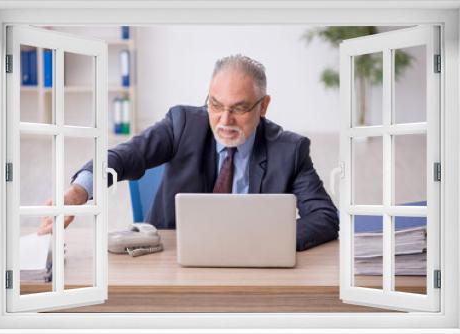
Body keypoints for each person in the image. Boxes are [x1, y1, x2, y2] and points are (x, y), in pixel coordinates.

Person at [38, 54, 339, 251]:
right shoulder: (183, 123)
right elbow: (124, 156)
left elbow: (325, 216)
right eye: (216, 104)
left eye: (239, 108)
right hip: (171, 258)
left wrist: (262, 241)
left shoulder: (290, 149)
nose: (224, 121)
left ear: (263, 106)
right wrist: (79, 191)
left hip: (253, 265)